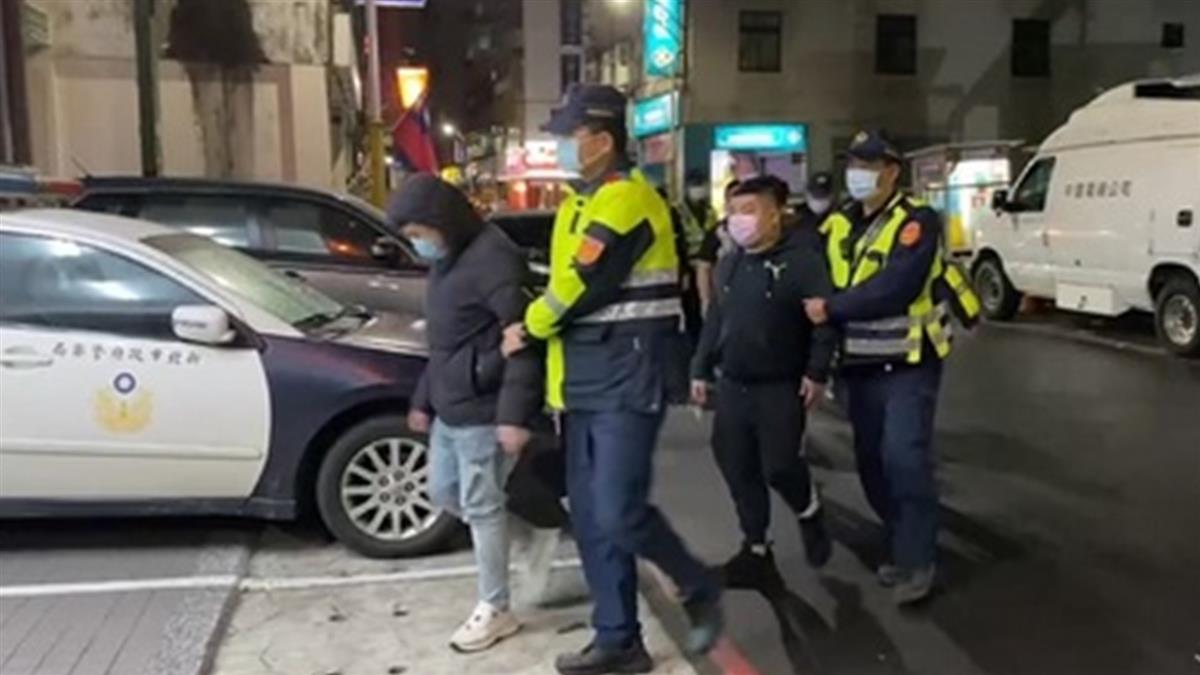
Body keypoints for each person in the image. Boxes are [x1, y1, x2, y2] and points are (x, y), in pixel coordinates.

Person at [503, 84, 723, 675]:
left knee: (619, 511)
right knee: (593, 520)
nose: (560, 146)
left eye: (569, 136)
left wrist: (528, 326)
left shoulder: (626, 200)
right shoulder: (580, 204)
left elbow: (580, 287)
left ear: (602, 141)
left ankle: (697, 583)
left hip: (627, 378)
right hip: (582, 382)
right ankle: (619, 639)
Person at [803, 130, 978, 605]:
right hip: (857, 367)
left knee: (904, 458)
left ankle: (918, 559)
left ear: (892, 171)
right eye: (853, 165)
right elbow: (812, 268)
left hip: (908, 363)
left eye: (868, 165)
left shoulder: (917, 221)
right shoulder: (838, 222)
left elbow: (896, 287)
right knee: (871, 463)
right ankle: (904, 539)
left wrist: (831, 308)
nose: (857, 174)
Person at [390, 174, 546, 652]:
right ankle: (525, 536)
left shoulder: (494, 260)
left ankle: (496, 608)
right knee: (444, 492)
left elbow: (522, 343)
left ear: (441, 221)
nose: (417, 244)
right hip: (450, 407)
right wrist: (423, 399)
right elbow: (445, 342)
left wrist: (513, 415)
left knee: (480, 506)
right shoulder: (447, 259)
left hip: (483, 409)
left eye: (419, 234)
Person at [690, 176, 838, 588]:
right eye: (733, 211)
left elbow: (823, 321)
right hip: (734, 384)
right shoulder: (730, 264)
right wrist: (700, 368)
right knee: (736, 465)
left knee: (780, 465)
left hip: (781, 384)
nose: (739, 220)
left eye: (749, 210)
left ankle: (808, 510)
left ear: (775, 215)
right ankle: (756, 549)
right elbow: (716, 319)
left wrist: (817, 371)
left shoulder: (803, 262)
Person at [693, 179, 741, 315]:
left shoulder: (760, 231)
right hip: (722, 301)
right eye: (733, 198)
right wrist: (705, 301)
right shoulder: (717, 233)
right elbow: (703, 267)